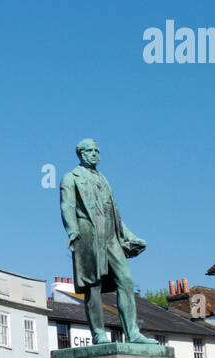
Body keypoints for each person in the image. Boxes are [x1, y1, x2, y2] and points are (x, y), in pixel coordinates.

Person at [59, 139, 152, 344]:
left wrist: (129, 236)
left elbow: (114, 213)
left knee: (126, 280)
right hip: (88, 235)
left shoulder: (103, 178)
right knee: (93, 286)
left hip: (111, 238)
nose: (94, 154)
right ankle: (99, 334)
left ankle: (133, 333)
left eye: (97, 150)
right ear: (81, 154)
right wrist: (73, 231)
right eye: (90, 151)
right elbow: (67, 206)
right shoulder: (70, 177)